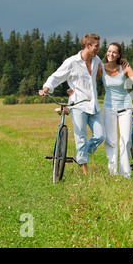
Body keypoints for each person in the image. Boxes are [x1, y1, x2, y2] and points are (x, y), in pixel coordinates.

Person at [39, 33, 105, 175]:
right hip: (78, 105)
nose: (99, 48)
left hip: (93, 105)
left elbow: (105, 71)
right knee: (80, 137)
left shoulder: (97, 60)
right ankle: (85, 172)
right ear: (88, 46)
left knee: (100, 136)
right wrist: (46, 89)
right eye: (96, 46)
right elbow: (55, 77)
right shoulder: (72, 62)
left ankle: (79, 156)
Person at [101, 42, 133, 178]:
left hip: (125, 106)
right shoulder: (101, 68)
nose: (111, 54)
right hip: (109, 107)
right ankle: (113, 173)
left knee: (126, 139)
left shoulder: (124, 68)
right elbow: (88, 81)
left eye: (114, 52)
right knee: (110, 140)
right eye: (109, 51)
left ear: (119, 55)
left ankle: (125, 173)